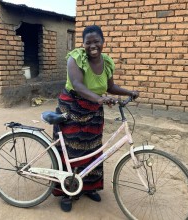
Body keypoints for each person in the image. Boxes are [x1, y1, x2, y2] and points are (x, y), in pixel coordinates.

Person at [52, 25, 139, 212]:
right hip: (73, 108)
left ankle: (89, 186)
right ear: (83, 44)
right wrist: (100, 98)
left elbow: (110, 87)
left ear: (102, 42)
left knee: (93, 150)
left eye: (96, 41)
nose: (92, 45)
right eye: (88, 42)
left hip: (94, 110)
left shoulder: (106, 62)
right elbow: (77, 84)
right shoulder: (76, 58)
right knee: (72, 152)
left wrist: (128, 91)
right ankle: (68, 191)